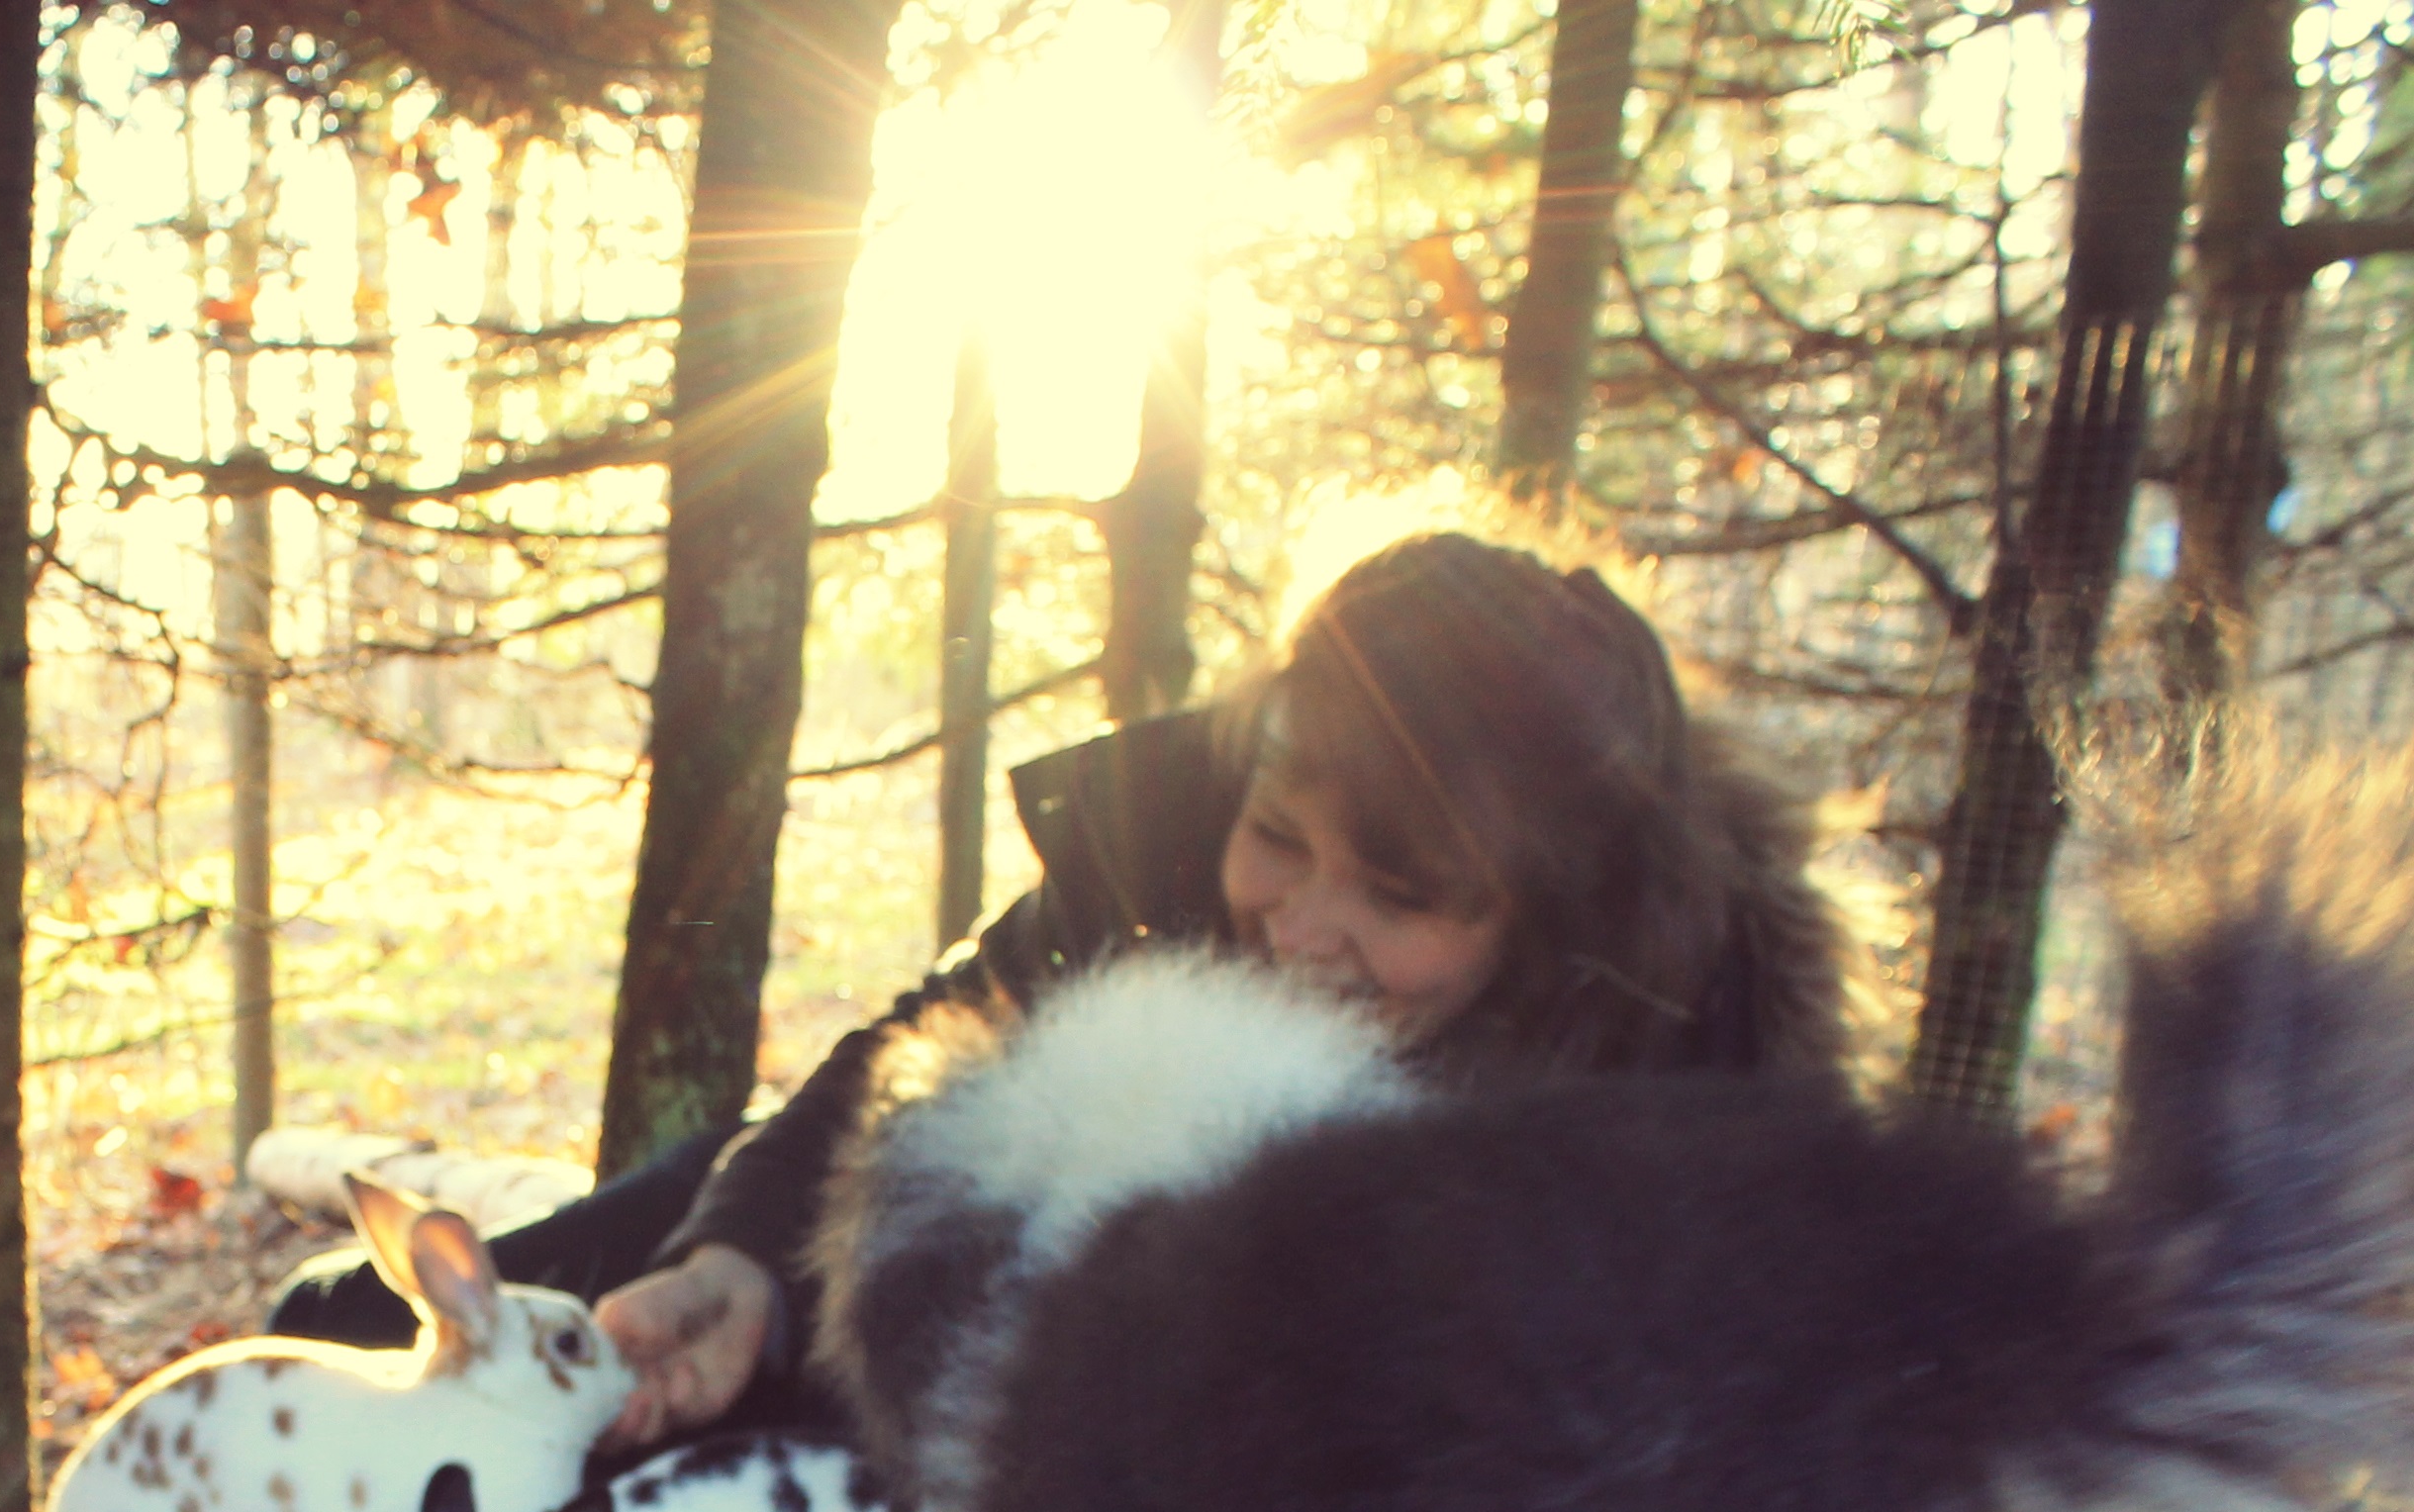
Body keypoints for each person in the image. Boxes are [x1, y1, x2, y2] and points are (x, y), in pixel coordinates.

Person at [266, 529, 1851, 1448]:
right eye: (1278, 838)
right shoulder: (1161, 843)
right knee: (338, 1330)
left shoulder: (1689, 1114)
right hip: (909, 1246)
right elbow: (923, 1046)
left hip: (1083, 1416)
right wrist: (745, 1256)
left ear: (1554, 919)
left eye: (1403, 896)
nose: (1299, 925)